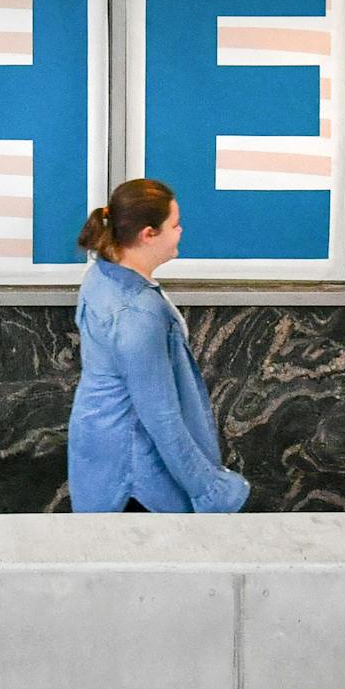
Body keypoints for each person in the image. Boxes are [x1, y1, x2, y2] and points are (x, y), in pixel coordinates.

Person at [66, 178, 249, 513]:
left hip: (101, 453)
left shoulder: (102, 274)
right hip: (137, 473)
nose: (181, 232)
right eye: (175, 225)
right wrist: (211, 490)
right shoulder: (138, 311)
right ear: (148, 234)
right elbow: (160, 415)